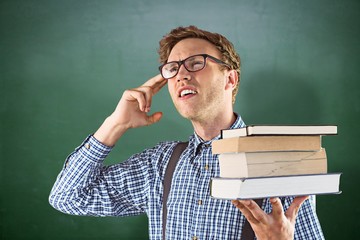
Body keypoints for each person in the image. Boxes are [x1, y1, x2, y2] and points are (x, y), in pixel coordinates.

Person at [49, 25, 324, 239]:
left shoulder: (279, 163)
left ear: (230, 78)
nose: (181, 75)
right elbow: (67, 197)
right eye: (172, 68)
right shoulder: (159, 164)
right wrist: (115, 124)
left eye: (196, 63)